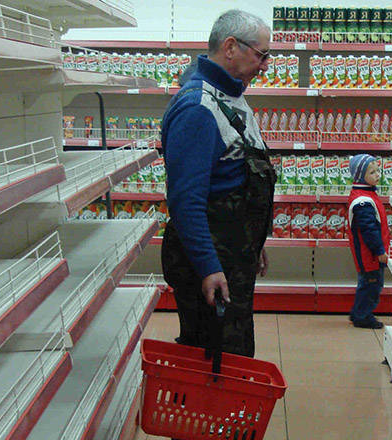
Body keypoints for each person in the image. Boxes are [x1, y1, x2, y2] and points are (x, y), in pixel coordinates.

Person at [160, 9, 275, 358]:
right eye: (261, 55)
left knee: (233, 349)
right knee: (213, 356)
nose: (266, 65)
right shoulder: (198, 108)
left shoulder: (230, 96)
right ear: (230, 47)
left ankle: (224, 412)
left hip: (232, 250)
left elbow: (233, 174)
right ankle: (206, 415)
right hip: (211, 257)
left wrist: (253, 240)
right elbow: (186, 201)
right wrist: (208, 266)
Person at [346, 154, 390, 329]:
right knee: (371, 285)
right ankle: (362, 316)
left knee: (367, 284)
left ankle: (359, 312)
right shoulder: (362, 201)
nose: (377, 175)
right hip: (368, 254)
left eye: (378, 170)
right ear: (360, 176)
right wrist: (379, 250)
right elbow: (369, 231)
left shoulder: (366, 195)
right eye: (372, 172)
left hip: (369, 253)